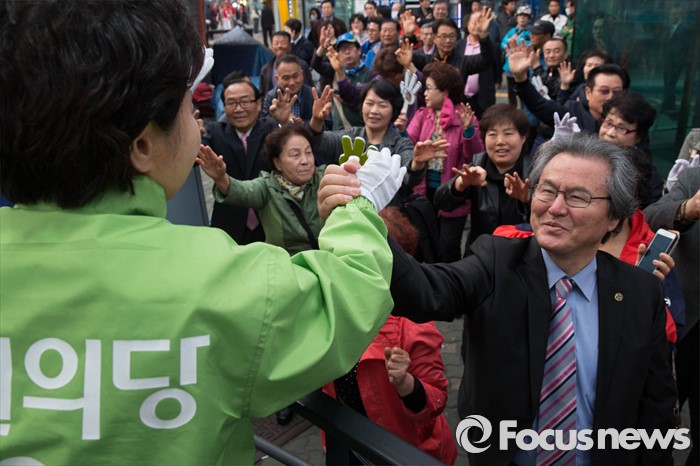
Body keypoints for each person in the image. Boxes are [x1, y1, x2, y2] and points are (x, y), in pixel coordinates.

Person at [0, 1, 410, 464]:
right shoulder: (218, 283)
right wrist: (358, 202)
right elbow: (348, 294)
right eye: (188, 107)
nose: (199, 123)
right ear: (143, 145)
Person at [323, 207, 457, 465]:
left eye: (364, 255)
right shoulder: (333, 307)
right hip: (345, 439)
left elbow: (436, 401)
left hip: (398, 452)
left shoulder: (414, 324)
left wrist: (406, 383)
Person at [309, 81, 446, 203]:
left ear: (393, 111)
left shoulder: (401, 144)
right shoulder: (350, 136)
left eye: (382, 105)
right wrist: (317, 120)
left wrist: (417, 164)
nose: (374, 111)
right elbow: (319, 143)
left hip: (387, 216)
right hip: (350, 212)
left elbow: (409, 177)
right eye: (369, 103)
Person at [645, 167, 700, 466]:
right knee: (658, 422)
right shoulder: (694, 178)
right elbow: (651, 217)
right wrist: (688, 209)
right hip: (685, 321)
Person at [407, 62, 484, 261]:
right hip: (424, 191)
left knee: (448, 246)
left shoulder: (464, 118)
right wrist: (399, 129)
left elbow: (474, 156)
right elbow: (409, 145)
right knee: (426, 242)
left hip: (452, 193)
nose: (425, 93)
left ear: (445, 92)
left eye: (429, 88)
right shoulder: (423, 115)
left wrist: (469, 131)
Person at [433, 103, 532, 250]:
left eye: (508, 133)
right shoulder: (477, 166)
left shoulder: (534, 172)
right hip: (481, 253)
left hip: (523, 254)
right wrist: (459, 185)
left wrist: (529, 200)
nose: (500, 141)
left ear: (523, 137)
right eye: (492, 134)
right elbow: (441, 203)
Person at [508, 38, 630, 133]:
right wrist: (520, 77)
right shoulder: (572, 116)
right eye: (604, 91)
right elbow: (539, 104)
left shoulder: (630, 119)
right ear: (588, 92)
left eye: (617, 92)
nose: (610, 97)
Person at [311, 32, 376, 130]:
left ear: (359, 51)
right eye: (342, 49)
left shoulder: (370, 74)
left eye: (350, 48)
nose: (347, 52)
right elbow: (316, 64)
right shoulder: (334, 71)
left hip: (361, 130)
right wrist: (322, 48)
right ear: (337, 54)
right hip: (338, 131)